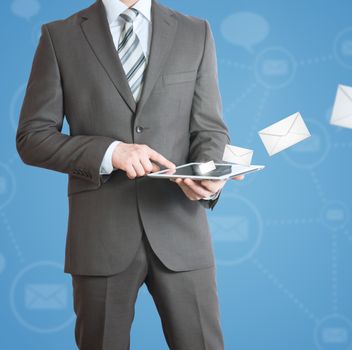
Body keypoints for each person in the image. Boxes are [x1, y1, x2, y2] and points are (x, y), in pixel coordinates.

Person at [16, 0, 240, 348]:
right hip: (100, 236)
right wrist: (110, 152)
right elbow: (32, 138)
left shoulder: (196, 32)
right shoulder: (59, 37)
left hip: (181, 230)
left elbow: (210, 130)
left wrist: (208, 176)